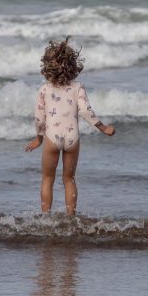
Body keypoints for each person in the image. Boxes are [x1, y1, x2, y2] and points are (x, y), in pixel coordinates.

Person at [25, 38, 115, 215]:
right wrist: (103, 128)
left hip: (52, 139)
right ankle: (71, 218)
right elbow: (86, 111)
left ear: (47, 66)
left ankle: (46, 218)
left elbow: (39, 117)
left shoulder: (44, 90)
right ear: (72, 65)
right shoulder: (78, 87)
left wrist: (39, 138)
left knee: (47, 179)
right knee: (69, 179)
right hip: (72, 139)